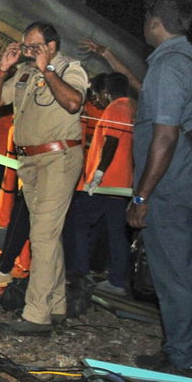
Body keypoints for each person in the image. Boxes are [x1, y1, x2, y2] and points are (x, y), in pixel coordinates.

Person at [0, 21, 88, 336]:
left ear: (52, 47)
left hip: (59, 159)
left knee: (42, 235)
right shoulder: (24, 74)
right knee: (48, 235)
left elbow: (73, 103)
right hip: (30, 162)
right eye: (25, 46)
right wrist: (2, 71)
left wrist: (49, 70)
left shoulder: (71, 69)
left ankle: (36, 315)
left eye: (34, 47)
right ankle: (56, 304)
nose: (28, 52)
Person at [127, 0, 192, 379]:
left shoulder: (169, 67)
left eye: (146, 20)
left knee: (175, 275)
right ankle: (179, 349)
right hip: (188, 182)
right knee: (175, 272)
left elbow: (165, 136)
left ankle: (184, 363)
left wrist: (142, 195)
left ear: (156, 23)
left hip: (170, 189)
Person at [64, 72, 134, 295]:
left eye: (96, 94)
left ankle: (82, 273)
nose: (96, 99)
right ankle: (115, 280)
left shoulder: (116, 109)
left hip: (106, 183)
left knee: (79, 223)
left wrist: (98, 174)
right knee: (115, 232)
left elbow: (111, 142)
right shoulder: (130, 107)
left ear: (106, 91)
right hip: (118, 183)